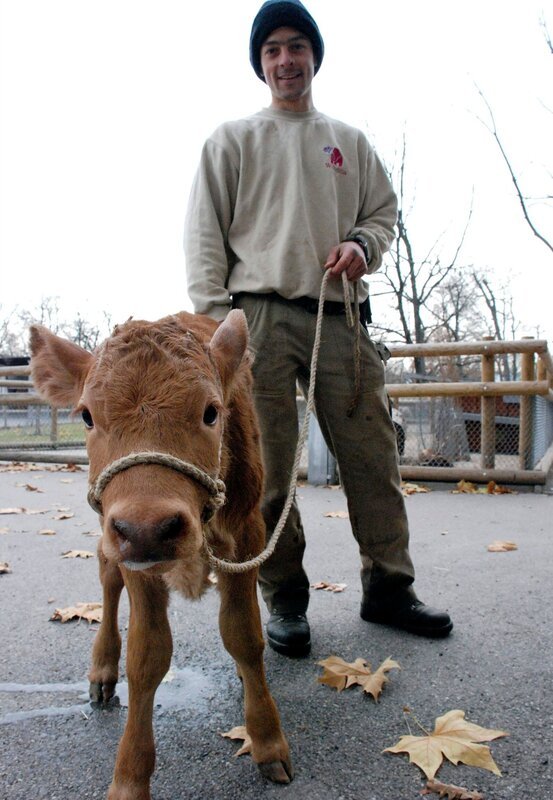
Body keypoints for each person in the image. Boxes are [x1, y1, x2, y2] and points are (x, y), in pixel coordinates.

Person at [184, 0, 453, 657]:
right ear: (260, 63)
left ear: (313, 57)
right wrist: (219, 326)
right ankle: (286, 600)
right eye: (272, 49)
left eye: (296, 46)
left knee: (371, 454)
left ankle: (388, 587)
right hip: (257, 317)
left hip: (339, 312)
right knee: (269, 467)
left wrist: (363, 243)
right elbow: (203, 237)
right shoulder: (231, 140)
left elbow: (382, 211)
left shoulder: (347, 142)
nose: (285, 59)